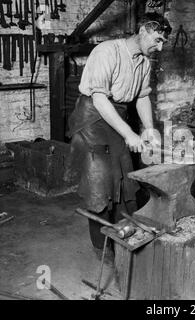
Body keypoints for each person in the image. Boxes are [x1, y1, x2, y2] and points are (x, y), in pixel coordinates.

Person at [65, 12, 172, 253]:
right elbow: (100, 99)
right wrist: (129, 134)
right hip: (93, 120)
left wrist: (149, 128)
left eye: (163, 42)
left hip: (118, 117)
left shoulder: (144, 61)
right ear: (143, 31)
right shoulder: (107, 52)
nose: (160, 46)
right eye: (157, 39)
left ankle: (125, 238)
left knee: (125, 182)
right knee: (100, 185)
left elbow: (142, 96)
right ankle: (102, 248)